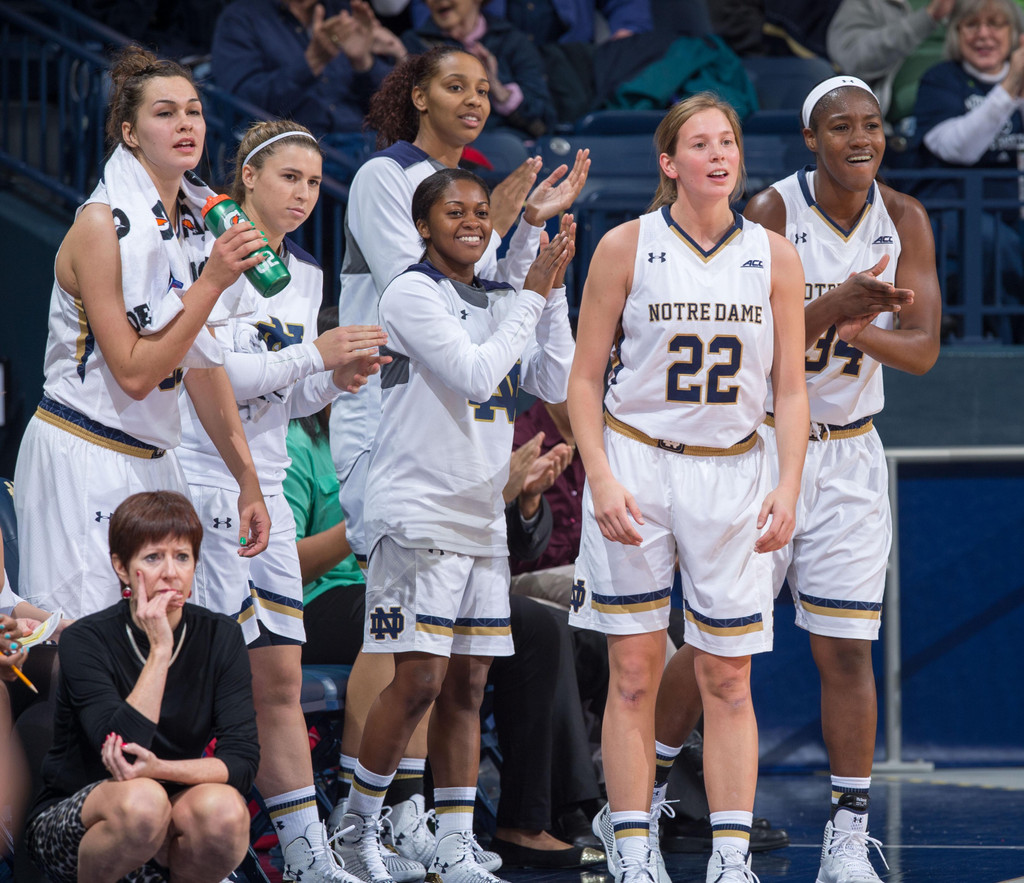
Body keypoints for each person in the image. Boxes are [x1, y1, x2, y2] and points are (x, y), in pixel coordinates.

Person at [567, 93, 809, 883]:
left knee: (726, 674)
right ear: (669, 163)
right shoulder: (625, 246)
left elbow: (793, 391)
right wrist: (598, 475)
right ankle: (633, 846)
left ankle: (730, 858)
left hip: (735, 469)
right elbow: (581, 378)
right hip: (638, 461)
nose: (719, 154)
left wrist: (789, 484)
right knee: (633, 672)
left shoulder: (774, 253)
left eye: (729, 141)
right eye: (700, 143)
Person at [331, 167, 575, 883]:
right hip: (418, 513)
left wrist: (551, 291)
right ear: (423, 226)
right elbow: (475, 373)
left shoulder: (500, 297)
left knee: (468, 684)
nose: (471, 220)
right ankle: (356, 828)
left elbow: (553, 381)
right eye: (454, 211)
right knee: (417, 682)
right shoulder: (409, 291)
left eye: (479, 210)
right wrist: (531, 289)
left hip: (479, 518)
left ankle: (454, 838)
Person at [176, 119, 391, 883]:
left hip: (268, 488)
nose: (302, 194)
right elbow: (205, 374)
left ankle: (304, 853)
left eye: (311, 181)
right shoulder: (204, 256)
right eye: (288, 178)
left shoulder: (304, 275)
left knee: (281, 679)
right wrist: (314, 356)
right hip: (199, 479)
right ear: (248, 180)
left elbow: (286, 394)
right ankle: (203, 844)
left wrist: (337, 379)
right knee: (203, 675)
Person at [741, 75, 941, 881]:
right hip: (762, 446)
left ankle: (848, 835)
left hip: (853, 451)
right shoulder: (773, 214)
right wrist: (832, 308)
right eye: (841, 126)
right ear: (811, 139)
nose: (862, 137)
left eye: (872, 124)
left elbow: (923, 348)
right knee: (720, 647)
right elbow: (749, 340)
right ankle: (647, 798)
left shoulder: (910, 219)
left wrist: (860, 327)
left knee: (847, 651)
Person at [13, 45, 270, 623]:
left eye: (195, 110)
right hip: (84, 448)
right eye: (165, 113)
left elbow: (200, 364)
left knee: (165, 649)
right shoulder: (100, 224)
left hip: (155, 458)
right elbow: (132, 373)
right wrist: (212, 282)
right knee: (77, 650)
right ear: (129, 133)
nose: (185, 123)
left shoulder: (197, 223)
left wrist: (246, 480)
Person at [22, 490, 259, 883]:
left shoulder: (222, 637)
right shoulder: (86, 639)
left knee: (225, 812)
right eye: (153, 558)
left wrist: (163, 768)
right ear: (121, 567)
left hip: (172, 802)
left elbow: (242, 763)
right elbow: (120, 750)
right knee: (144, 803)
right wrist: (160, 650)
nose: (170, 572)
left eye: (182, 557)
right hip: (82, 816)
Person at [911, 0, 1024, 340]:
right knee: (993, 241)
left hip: (1010, 211)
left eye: (997, 24)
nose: (984, 34)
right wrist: (1009, 87)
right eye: (971, 24)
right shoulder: (940, 80)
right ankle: (1005, 336)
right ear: (956, 33)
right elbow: (958, 148)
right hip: (952, 212)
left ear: (1014, 34)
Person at [211, 0, 400, 172]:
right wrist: (311, 63)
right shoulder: (241, 18)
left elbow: (392, 105)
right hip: (301, 152)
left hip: (366, 143)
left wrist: (363, 61)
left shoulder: (341, 11)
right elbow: (241, 102)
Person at [401, 0, 557, 137]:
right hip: (442, 153)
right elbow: (402, 118)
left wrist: (496, 88)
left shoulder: (512, 42)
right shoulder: (414, 45)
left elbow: (544, 122)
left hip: (505, 149)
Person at [827, 0, 955, 119]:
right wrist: (927, 18)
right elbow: (851, 60)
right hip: (906, 119)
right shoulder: (871, 3)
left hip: (964, 95)